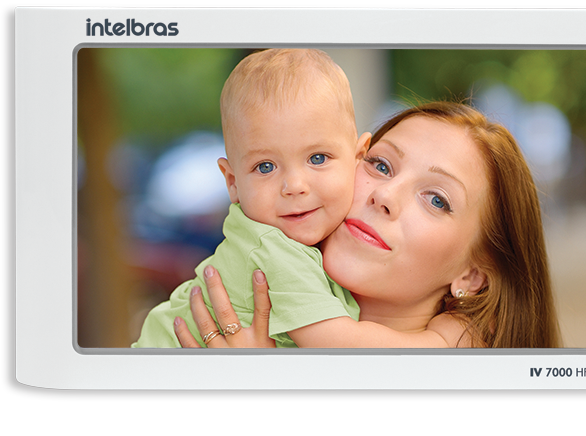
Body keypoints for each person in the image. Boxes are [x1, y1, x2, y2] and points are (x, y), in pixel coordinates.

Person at [175, 101, 562, 348]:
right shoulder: (266, 255)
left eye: (436, 199)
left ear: (472, 276)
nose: (385, 195)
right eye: (380, 165)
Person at [134, 48, 368, 347]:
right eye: (265, 167)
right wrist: (427, 341)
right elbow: (344, 347)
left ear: (359, 157)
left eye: (318, 158)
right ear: (232, 182)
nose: (294, 186)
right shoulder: (273, 251)